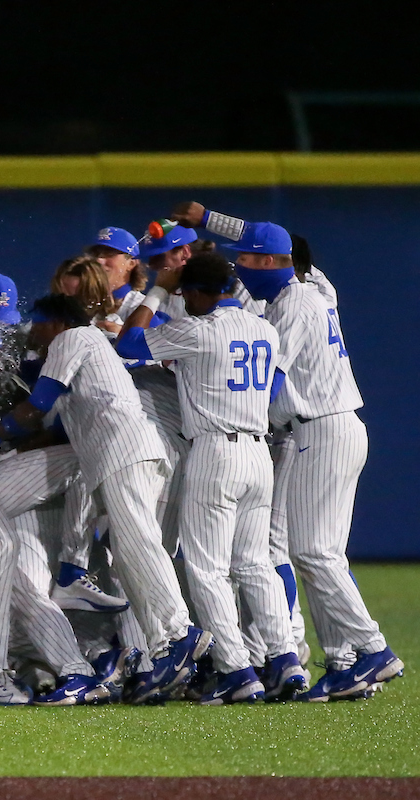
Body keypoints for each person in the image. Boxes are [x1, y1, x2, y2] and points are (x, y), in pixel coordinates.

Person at [172, 204, 405, 701]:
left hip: (320, 429)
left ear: (268, 264)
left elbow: (272, 381)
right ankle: (345, 659)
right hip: (323, 428)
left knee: (312, 552)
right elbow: (262, 237)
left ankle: (372, 649)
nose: (238, 270)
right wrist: (207, 218)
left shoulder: (296, 303)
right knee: (320, 554)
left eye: (246, 263)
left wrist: (233, 410)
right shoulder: (307, 292)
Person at [0, 293, 208, 704]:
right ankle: (165, 647)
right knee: (128, 551)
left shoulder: (74, 338)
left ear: (55, 321)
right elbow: (38, 379)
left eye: (38, 323)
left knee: (139, 544)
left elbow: (37, 405)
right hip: (119, 454)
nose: (33, 332)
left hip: (125, 451)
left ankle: (179, 633)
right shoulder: (78, 345)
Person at [116, 251, 306, 703]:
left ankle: (236, 670)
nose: (186, 300)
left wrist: (159, 287)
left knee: (207, 570)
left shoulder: (199, 330)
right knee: (255, 564)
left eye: (188, 293)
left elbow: (129, 344)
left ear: (200, 293)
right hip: (260, 454)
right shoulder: (265, 328)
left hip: (216, 452)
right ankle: (285, 662)